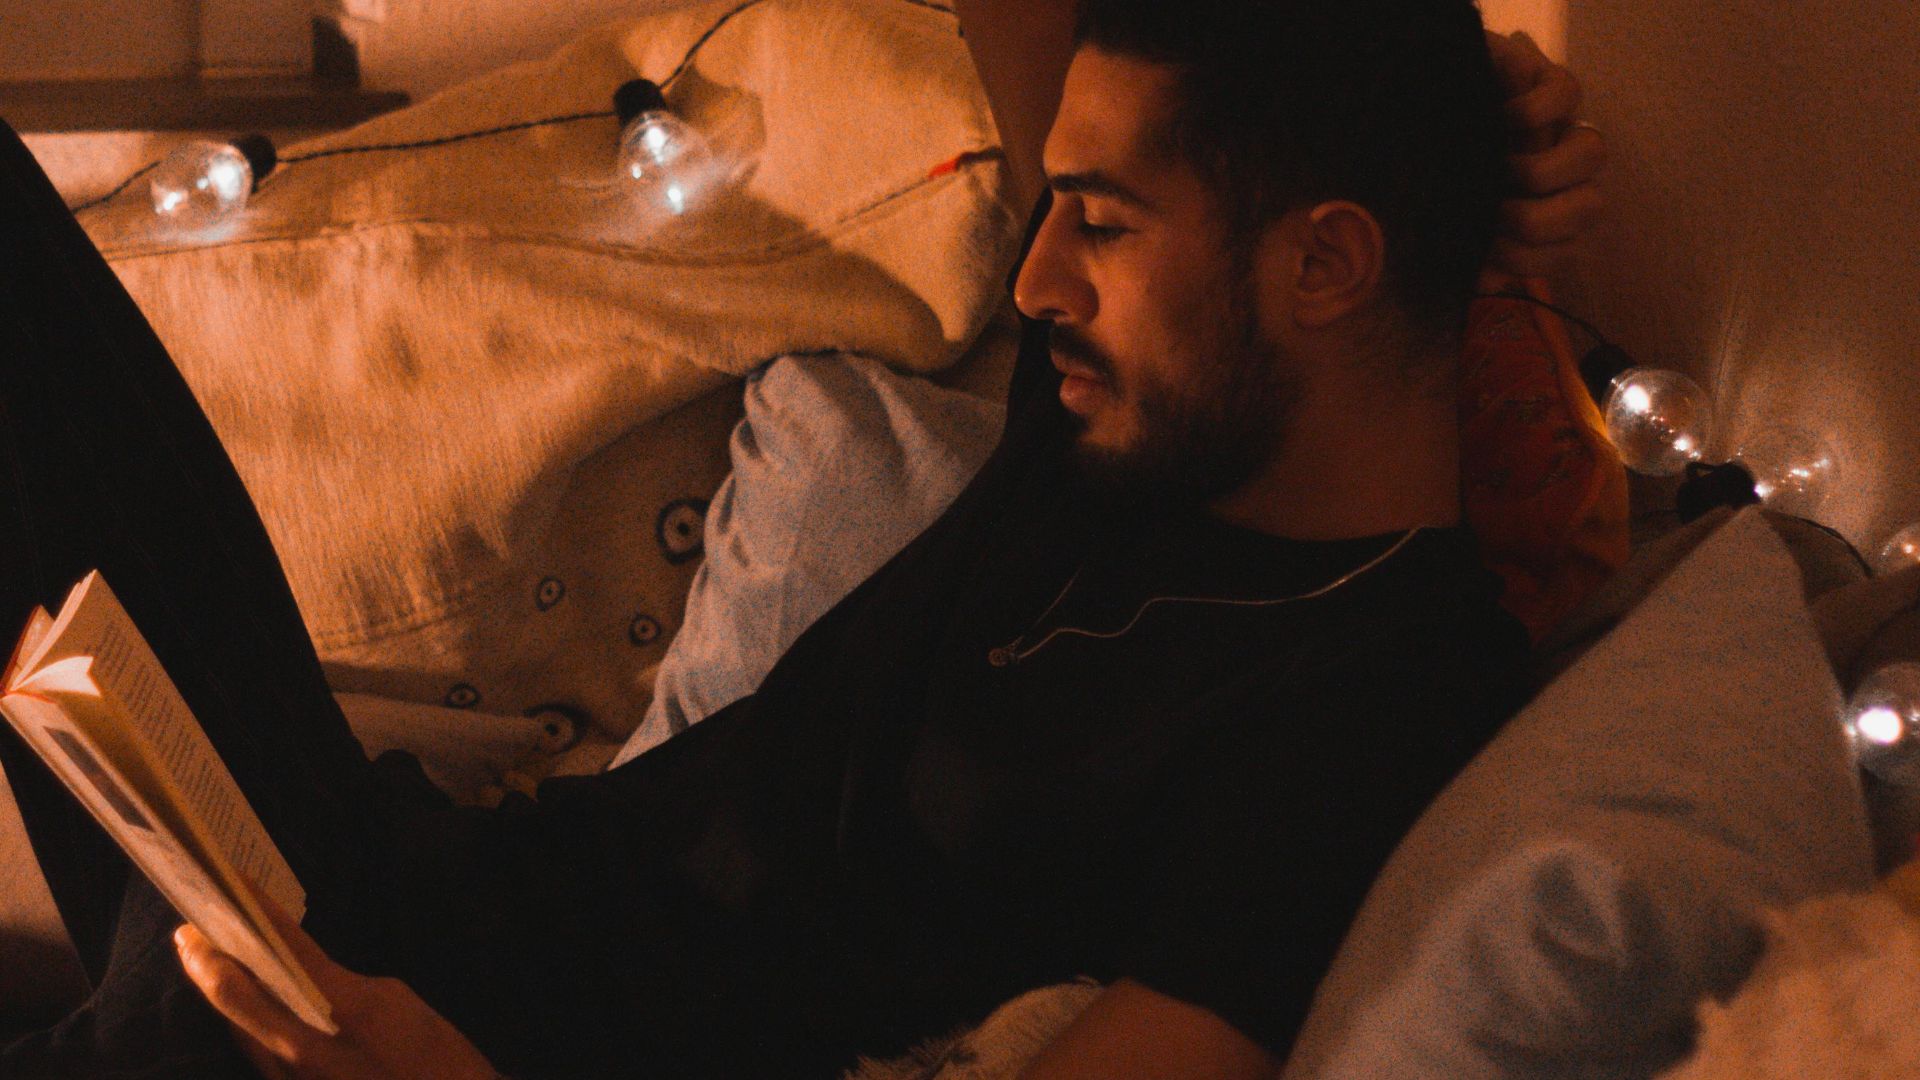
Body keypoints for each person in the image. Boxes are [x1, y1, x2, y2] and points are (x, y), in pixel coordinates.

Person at [0, 0, 1605, 1076]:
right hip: (382, 876)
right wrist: (1454, 95)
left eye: (1103, 224)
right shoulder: (1136, 429)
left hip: (433, 1038)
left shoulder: (1373, 700)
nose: (1037, 281)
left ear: (1326, 265)